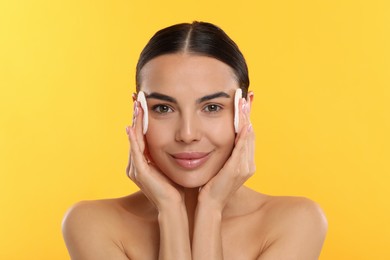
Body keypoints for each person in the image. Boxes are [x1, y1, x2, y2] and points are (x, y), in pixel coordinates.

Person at [62, 21, 327, 260]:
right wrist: (170, 210)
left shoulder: (296, 222)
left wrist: (211, 209)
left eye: (212, 107)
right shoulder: (92, 224)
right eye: (163, 108)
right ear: (137, 112)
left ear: (244, 109)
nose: (187, 134)